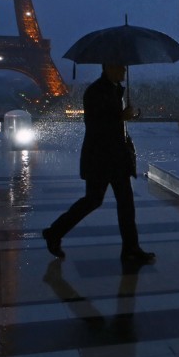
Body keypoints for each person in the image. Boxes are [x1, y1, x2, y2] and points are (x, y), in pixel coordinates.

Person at [42, 64, 155, 263]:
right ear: (108, 67)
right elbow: (96, 125)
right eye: (121, 68)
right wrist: (121, 116)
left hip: (112, 158)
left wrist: (126, 115)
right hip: (102, 158)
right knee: (96, 201)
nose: (124, 71)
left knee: (122, 204)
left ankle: (131, 248)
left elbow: (108, 122)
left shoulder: (110, 89)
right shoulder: (96, 91)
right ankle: (54, 232)